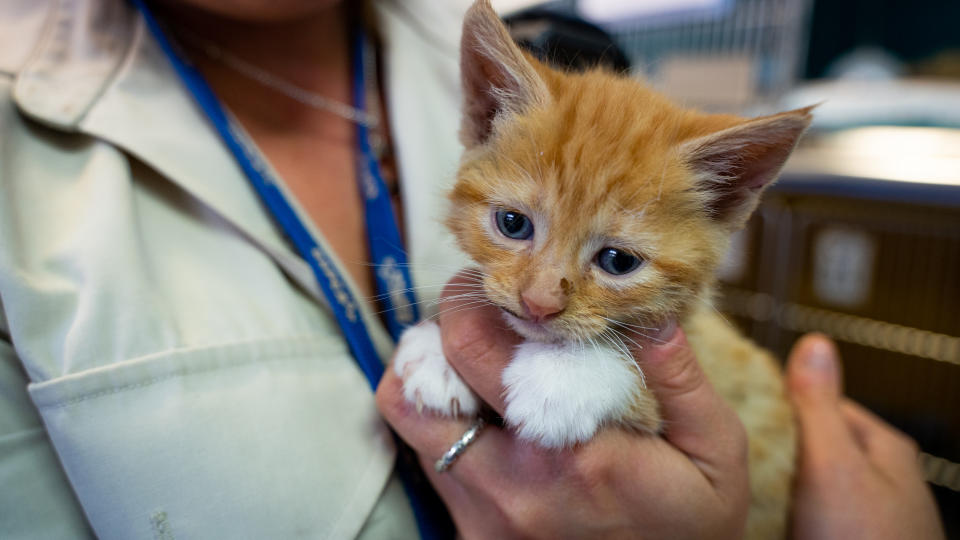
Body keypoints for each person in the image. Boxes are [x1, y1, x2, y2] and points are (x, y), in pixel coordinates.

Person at [0, 0, 946, 538]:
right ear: (484, 111)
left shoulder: (485, 28)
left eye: (613, 260)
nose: (537, 295)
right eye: (512, 225)